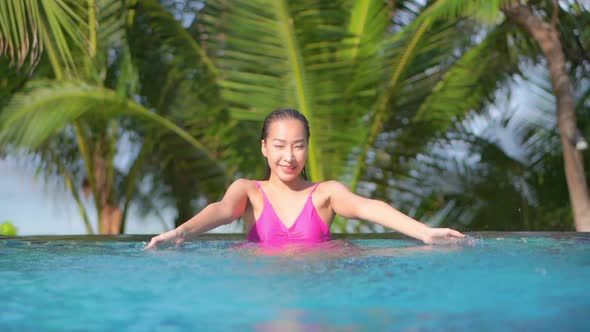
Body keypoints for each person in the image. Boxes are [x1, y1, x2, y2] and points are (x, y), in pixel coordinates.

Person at [144, 108, 465, 250]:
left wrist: (425, 233)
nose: (289, 156)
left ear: (307, 148)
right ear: (264, 148)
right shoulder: (249, 191)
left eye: (298, 146)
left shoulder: (325, 194)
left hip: (318, 291)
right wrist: (181, 232)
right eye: (280, 146)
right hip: (264, 294)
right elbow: (222, 209)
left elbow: (369, 207)